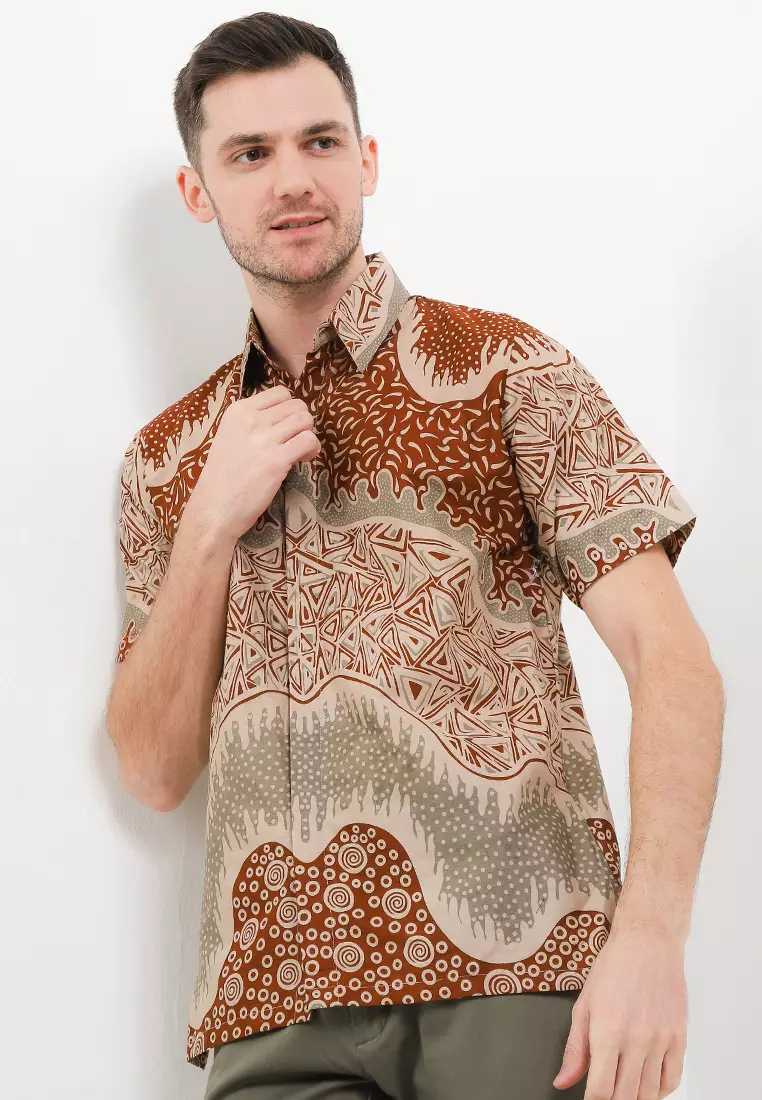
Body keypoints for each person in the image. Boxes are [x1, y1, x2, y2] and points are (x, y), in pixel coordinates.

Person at [105, 12, 724, 1100]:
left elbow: (672, 661)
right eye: (249, 153)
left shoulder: (508, 369)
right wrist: (208, 526)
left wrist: (653, 938)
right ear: (199, 192)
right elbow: (154, 770)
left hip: (519, 972)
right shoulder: (167, 460)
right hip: (270, 1002)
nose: (293, 179)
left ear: (368, 159)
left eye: (320, 140)